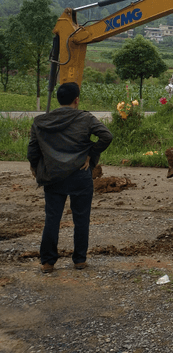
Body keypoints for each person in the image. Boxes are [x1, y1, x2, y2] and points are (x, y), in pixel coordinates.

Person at [27, 82, 113, 274]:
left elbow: (32, 150)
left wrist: (35, 167)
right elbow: (107, 136)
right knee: (81, 219)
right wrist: (91, 153)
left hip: (53, 177)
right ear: (77, 100)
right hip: (80, 176)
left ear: (59, 99)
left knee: (52, 219)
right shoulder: (85, 119)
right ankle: (79, 260)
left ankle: (48, 262)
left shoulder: (41, 121)